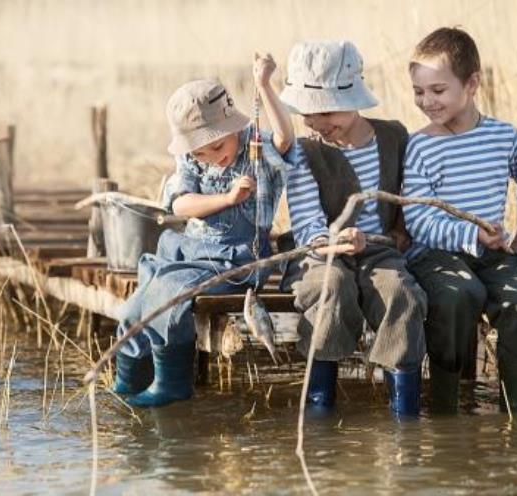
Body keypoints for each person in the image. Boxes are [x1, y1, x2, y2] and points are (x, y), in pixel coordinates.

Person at [113, 54, 293, 408]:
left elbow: (286, 138)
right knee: (135, 305)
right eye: (201, 152)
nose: (213, 157)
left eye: (218, 146)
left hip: (237, 260)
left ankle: (173, 382)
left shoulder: (257, 150)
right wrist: (225, 198)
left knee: (169, 291)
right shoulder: (192, 159)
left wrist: (264, 85)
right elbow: (179, 205)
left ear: (235, 128)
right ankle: (127, 381)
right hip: (190, 250)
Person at [403, 27, 517, 413]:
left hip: (492, 253)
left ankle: (512, 404)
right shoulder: (420, 145)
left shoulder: (503, 136)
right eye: (419, 91)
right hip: (436, 254)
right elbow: (418, 221)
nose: (427, 101)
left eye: (438, 90)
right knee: (458, 294)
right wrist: (472, 235)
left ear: (472, 84)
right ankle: (445, 404)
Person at [279, 40, 426, 416]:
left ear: (355, 100)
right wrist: (331, 242)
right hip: (320, 253)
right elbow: (308, 223)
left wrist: (389, 236)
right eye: (308, 115)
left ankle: (404, 413)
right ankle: (319, 409)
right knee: (332, 287)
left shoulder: (394, 137)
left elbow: (406, 207)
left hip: (381, 250)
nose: (318, 123)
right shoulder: (304, 152)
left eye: (327, 112)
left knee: (401, 294)